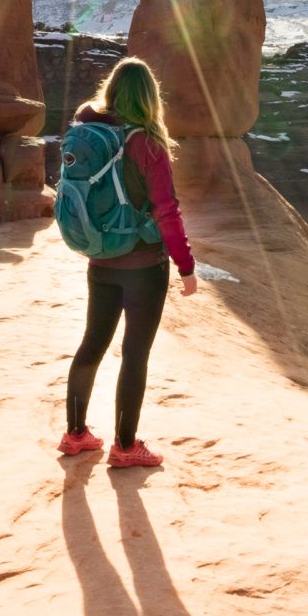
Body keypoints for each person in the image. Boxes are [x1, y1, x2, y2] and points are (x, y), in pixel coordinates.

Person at [57, 56, 196, 468]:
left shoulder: (89, 129)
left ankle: (76, 434)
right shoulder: (147, 142)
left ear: (113, 90)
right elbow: (167, 210)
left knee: (92, 343)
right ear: (150, 96)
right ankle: (126, 445)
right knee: (135, 353)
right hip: (144, 266)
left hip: (101, 258)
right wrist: (186, 266)